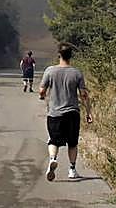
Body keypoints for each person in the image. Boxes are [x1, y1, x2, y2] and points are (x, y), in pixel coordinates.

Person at [38, 42, 92, 182]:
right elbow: (84, 94)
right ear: (70, 56)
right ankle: (72, 169)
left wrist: (42, 95)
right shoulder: (76, 73)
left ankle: (52, 159)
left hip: (55, 114)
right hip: (72, 113)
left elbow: (42, 91)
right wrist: (88, 112)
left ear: (59, 55)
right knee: (72, 143)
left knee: (53, 141)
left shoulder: (50, 71)